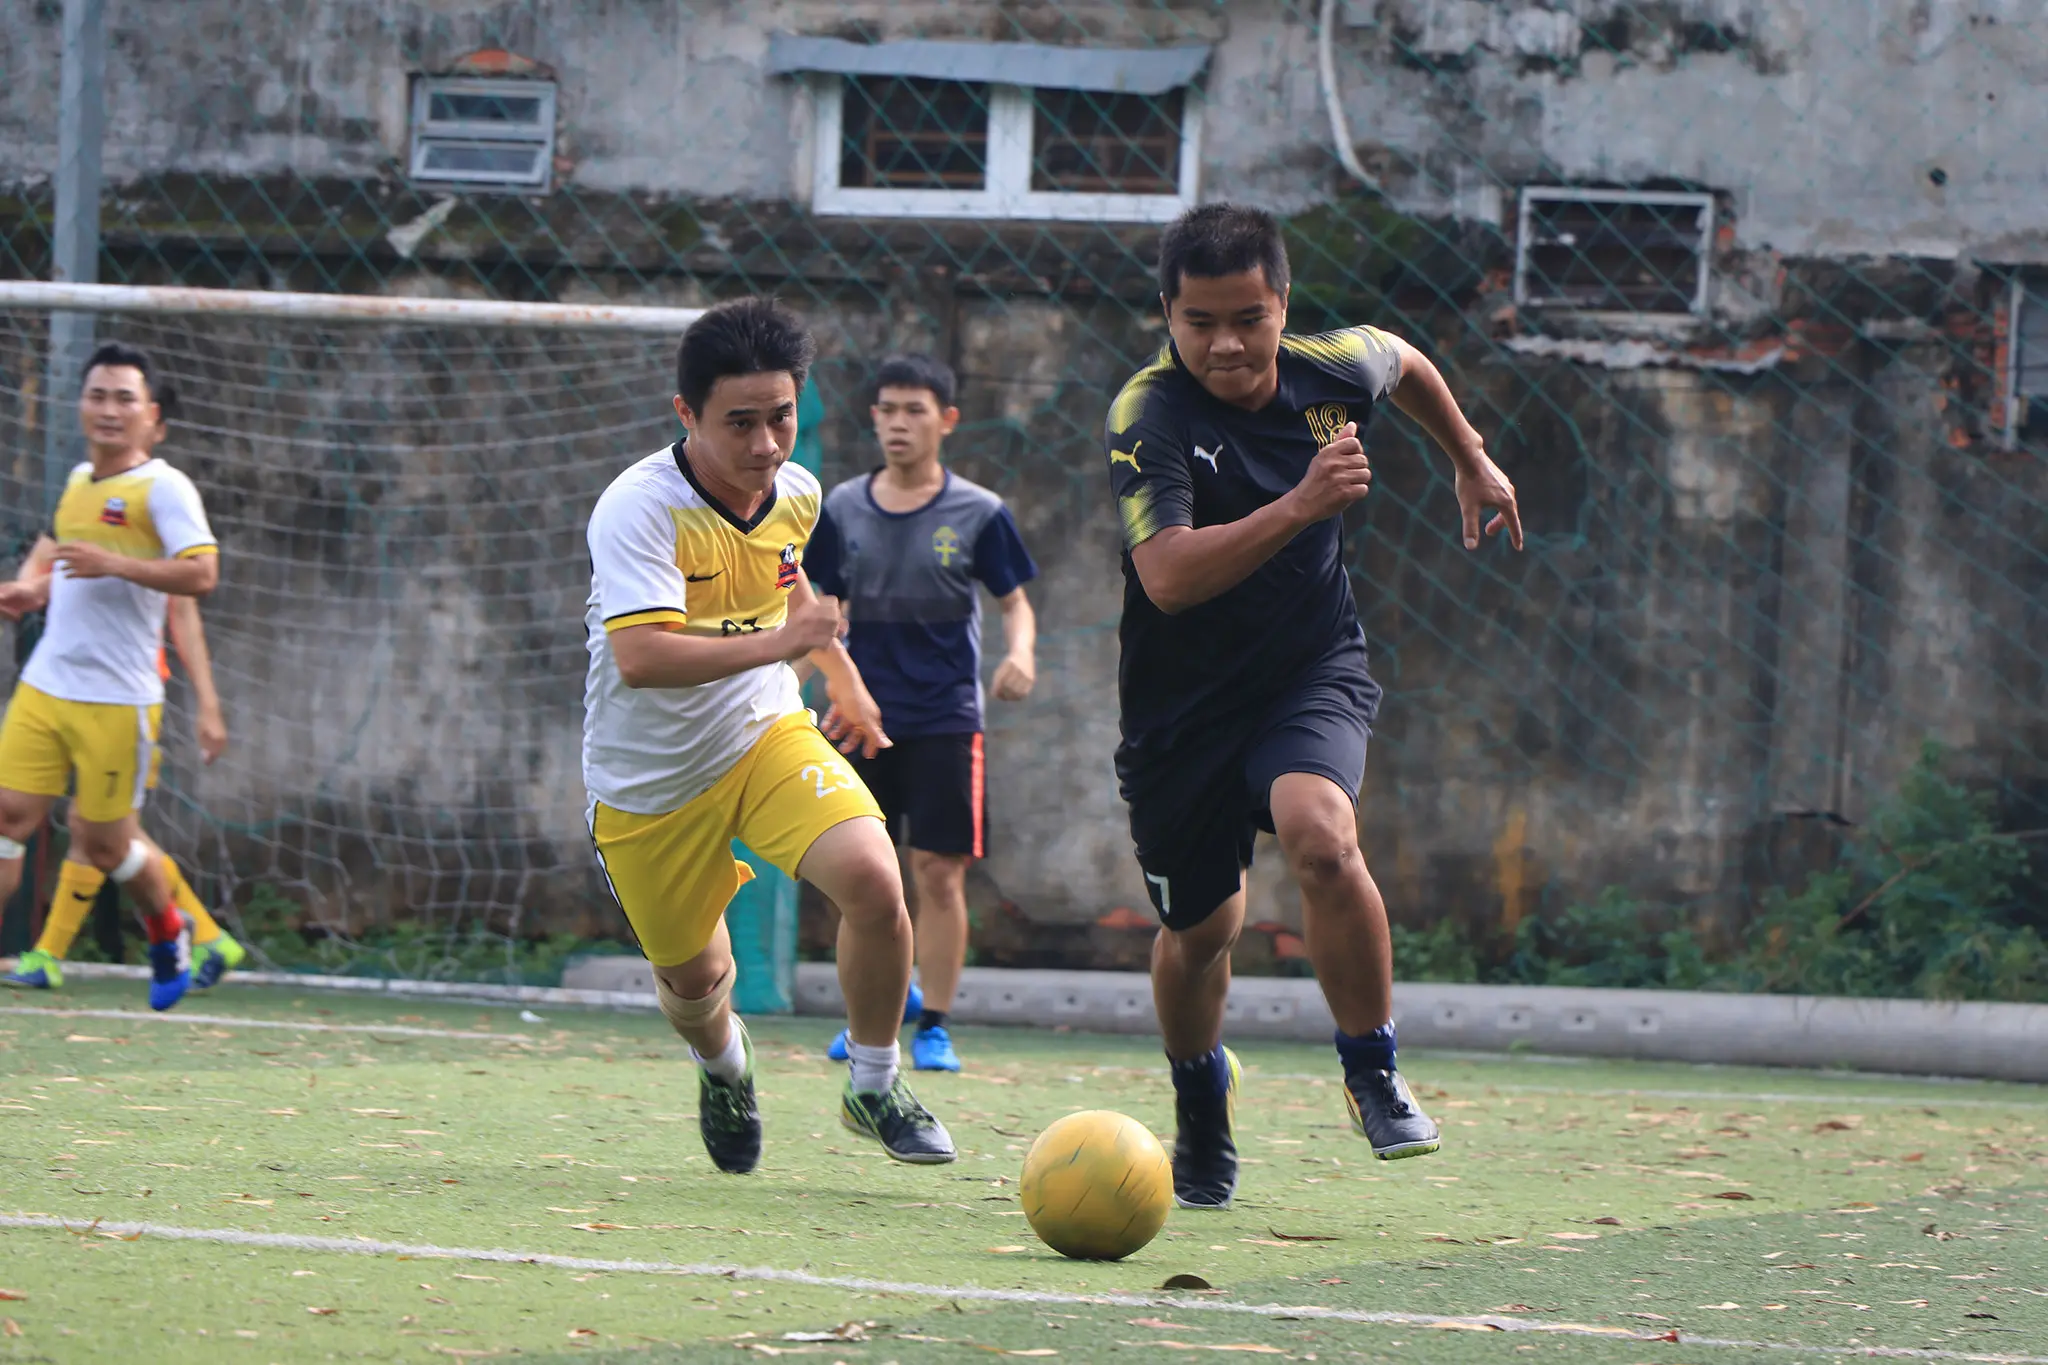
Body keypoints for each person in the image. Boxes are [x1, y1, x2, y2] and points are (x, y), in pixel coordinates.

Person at [1103, 204, 1524, 1208]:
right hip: (1181, 711)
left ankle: (1371, 1071)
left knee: (1320, 834)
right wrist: (1299, 504)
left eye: (1247, 316)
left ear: (1280, 306)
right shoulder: (1147, 413)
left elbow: (1407, 362)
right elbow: (1163, 576)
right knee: (1201, 933)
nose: (1226, 343)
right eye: (1198, 321)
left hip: (1307, 670)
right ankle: (1200, 1106)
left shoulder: (1332, 366)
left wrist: (1468, 456)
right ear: (1167, 314)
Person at [583, 296, 955, 1174]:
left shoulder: (795, 491)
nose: (764, 445)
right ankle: (724, 1067)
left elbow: (790, 593)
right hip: (650, 782)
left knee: (873, 878)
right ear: (687, 414)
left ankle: (872, 1084)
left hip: (761, 730)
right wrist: (788, 644)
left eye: (780, 417)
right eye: (739, 423)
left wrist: (846, 683)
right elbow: (639, 656)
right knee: (698, 984)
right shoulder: (638, 509)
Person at [807, 353, 1039, 1073]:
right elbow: (817, 609)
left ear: (947, 420)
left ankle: (934, 1023)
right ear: (872, 417)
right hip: (857, 718)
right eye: (887, 409)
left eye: (915, 409)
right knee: (857, 874)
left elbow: (1014, 602)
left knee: (937, 872)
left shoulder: (978, 511)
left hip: (945, 715)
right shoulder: (841, 507)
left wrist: (1021, 653)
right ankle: (867, 1017)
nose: (898, 423)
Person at [0, 378, 243, 992]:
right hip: (51, 682)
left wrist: (208, 704)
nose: (111, 412)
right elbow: (56, 556)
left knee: (102, 836)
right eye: (98, 396)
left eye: (126, 402)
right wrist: (31, 588)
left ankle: (183, 931)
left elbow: (189, 601)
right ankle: (53, 957)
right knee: (21, 816)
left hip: (123, 694)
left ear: (154, 422)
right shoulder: (79, 483)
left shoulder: (165, 493)